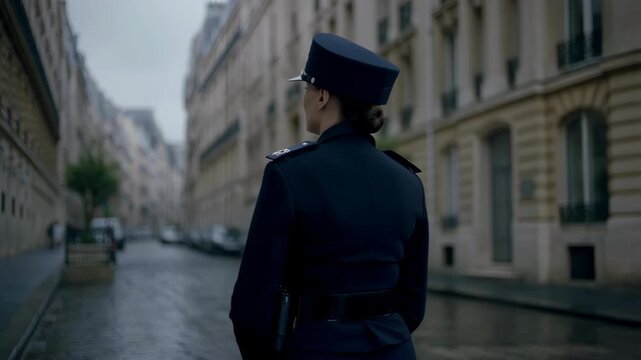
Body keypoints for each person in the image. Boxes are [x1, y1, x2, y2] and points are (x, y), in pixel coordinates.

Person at [230, 33, 429, 359]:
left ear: (322, 96)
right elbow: (414, 300)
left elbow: (252, 303)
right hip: (394, 349)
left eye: (306, 89)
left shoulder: (289, 173)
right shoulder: (407, 180)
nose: (304, 98)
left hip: (317, 348)